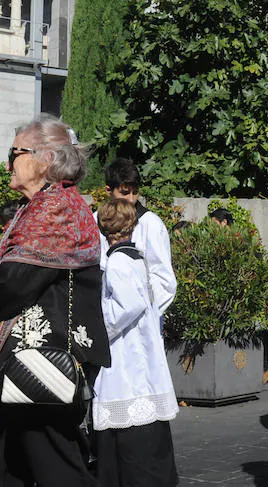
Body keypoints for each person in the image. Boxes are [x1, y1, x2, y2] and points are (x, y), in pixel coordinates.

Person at [0, 116, 111, 486]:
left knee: (56, 466)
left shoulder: (56, 208)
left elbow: (13, 284)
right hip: (28, 361)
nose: (8, 162)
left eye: (15, 152)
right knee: (17, 462)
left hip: (40, 360)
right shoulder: (41, 205)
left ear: (44, 159)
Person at [94, 200, 179, 487]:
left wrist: (97, 323)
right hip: (139, 348)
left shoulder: (117, 261)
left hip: (125, 354)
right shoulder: (135, 257)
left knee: (129, 445)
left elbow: (127, 306)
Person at [98, 158, 177, 318]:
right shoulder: (94, 221)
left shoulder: (151, 224)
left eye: (135, 192)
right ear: (108, 190)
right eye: (125, 193)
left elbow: (164, 281)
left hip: (139, 325)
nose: (131, 199)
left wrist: (140, 313)